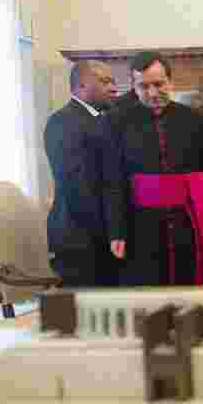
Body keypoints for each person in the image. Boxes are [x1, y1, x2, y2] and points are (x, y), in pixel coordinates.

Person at [99, 51, 203, 286]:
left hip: (188, 223)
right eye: (143, 86)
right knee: (147, 300)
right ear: (133, 87)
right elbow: (113, 181)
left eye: (159, 84)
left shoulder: (195, 120)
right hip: (140, 226)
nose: (153, 93)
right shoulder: (115, 122)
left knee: (189, 296)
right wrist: (117, 231)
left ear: (171, 81)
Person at [45, 59, 119, 287]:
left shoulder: (102, 119)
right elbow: (78, 185)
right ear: (82, 84)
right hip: (80, 240)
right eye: (105, 81)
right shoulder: (63, 121)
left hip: (98, 238)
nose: (113, 88)